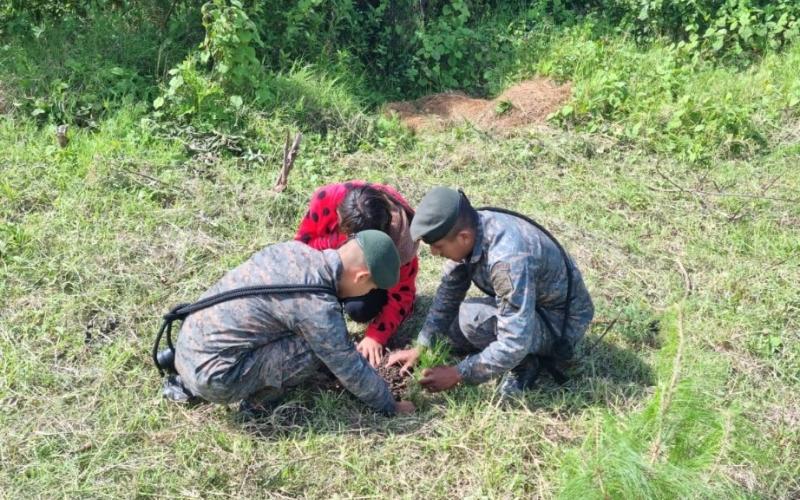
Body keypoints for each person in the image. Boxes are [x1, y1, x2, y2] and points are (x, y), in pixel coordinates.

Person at [172, 230, 415, 415]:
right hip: (216, 377)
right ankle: (257, 403)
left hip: (187, 345)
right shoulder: (316, 305)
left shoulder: (293, 250)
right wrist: (390, 405)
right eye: (370, 287)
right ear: (361, 277)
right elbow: (348, 367)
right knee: (317, 349)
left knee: (314, 337)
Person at [387, 187, 594, 398]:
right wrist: (422, 345)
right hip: (534, 305)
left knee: (472, 320)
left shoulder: (507, 260)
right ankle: (520, 354)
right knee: (453, 326)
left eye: (438, 246)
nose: (434, 252)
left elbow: (513, 342)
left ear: (463, 237)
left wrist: (459, 373)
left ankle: (526, 363)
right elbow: (449, 292)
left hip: (559, 323)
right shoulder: (474, 229)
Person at [295, 181, 419, 367]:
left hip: (361, 277)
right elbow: (300, 250)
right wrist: (336, 248)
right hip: (330, 261)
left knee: (360, 309)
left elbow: (403, 296)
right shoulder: (327, 199)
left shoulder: (400, 243)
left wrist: (376, 336)